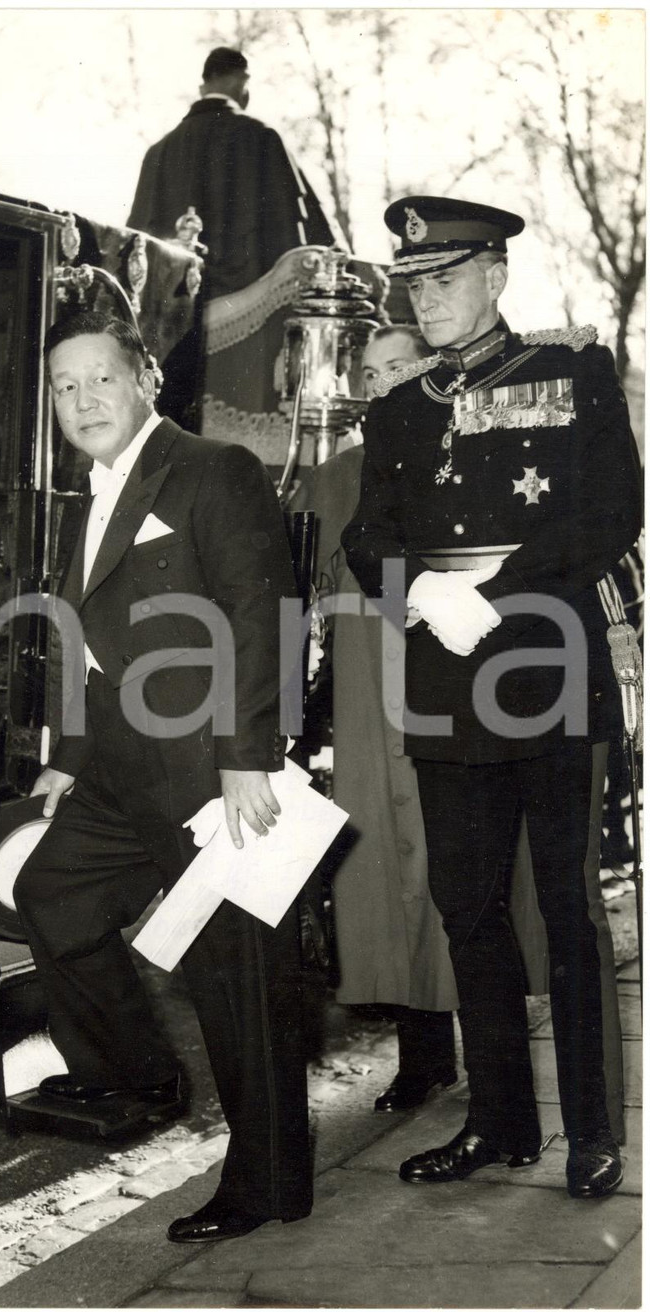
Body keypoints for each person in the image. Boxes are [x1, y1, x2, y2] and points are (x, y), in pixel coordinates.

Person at [342, 196, 641, 1198]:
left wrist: (492, 596)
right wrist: (419, 589)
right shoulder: (393, 409)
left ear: (495, 275)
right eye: (413, 281)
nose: (424, 297)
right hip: (440, 679)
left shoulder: (573, 374)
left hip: (546, 666)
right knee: (466, 907)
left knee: (567, 911)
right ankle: (501, 1120)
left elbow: (612, 510)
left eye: (444, 276)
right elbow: (363, 536)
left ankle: (594, 1130)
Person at [13, 311, 312, 1244]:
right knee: (49, 894)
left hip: (205, 770)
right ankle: (139, 1075)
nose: (83, 400)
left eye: (99, 377)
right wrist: (65, 758)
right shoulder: (89, 495)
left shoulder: (211, 468)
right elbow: (77, 635)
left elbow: (263, 616)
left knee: (236, 982)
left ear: (146, 379)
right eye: (65, 386)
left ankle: (267, 1185)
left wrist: (247, 759)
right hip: (113, 769)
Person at [313, 326, 550, 1115]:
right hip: (364, 706)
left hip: (453, 694)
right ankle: (423, 1057)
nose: (383, 383)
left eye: (399, 368)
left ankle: (494, 1068)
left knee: (465, 879)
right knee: (385, 883)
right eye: (370, 372)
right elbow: (295, 598)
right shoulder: (330, 479)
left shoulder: (464, 459)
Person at [127, 47, 336, 298]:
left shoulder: (158, 152)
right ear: (242, 81)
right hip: (252, 314)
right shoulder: (262, 138)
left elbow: (136, 244)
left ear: (202, 88)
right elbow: (308, 242)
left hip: (175, 312)